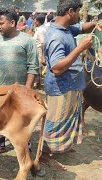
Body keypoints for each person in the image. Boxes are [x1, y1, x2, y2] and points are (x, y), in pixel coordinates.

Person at [40, 0, 102, 170]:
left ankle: (61, 146)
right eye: (78, 12)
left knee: (68, 118)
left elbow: (83, 27)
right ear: (70, 12)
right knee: (55, 121)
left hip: (72, 85)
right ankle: (44, 154)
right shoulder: (56, 36)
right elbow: (57, 68)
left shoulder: (66, 28)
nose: (79, 16)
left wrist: (98, 23)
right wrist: (80, 48)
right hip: (61, 87)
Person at [0, 7, 38, 157]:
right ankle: (0, 146)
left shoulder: (27, 40)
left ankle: (26, 147)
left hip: (20, 90)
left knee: (22, 120)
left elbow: (33, 68)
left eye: (1, 23)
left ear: (12, 23)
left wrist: (27, 90)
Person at [33, 14, 47, 89]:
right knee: (37, 68)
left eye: (35, 20)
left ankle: (36, 84)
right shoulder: (39, 29)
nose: (34, 21)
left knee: (36, 68)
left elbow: (43, 43)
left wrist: (43, 57)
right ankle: (38, 84)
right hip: (37, 51)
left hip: (39, 52)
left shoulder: (41, 30)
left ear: (38, 21)